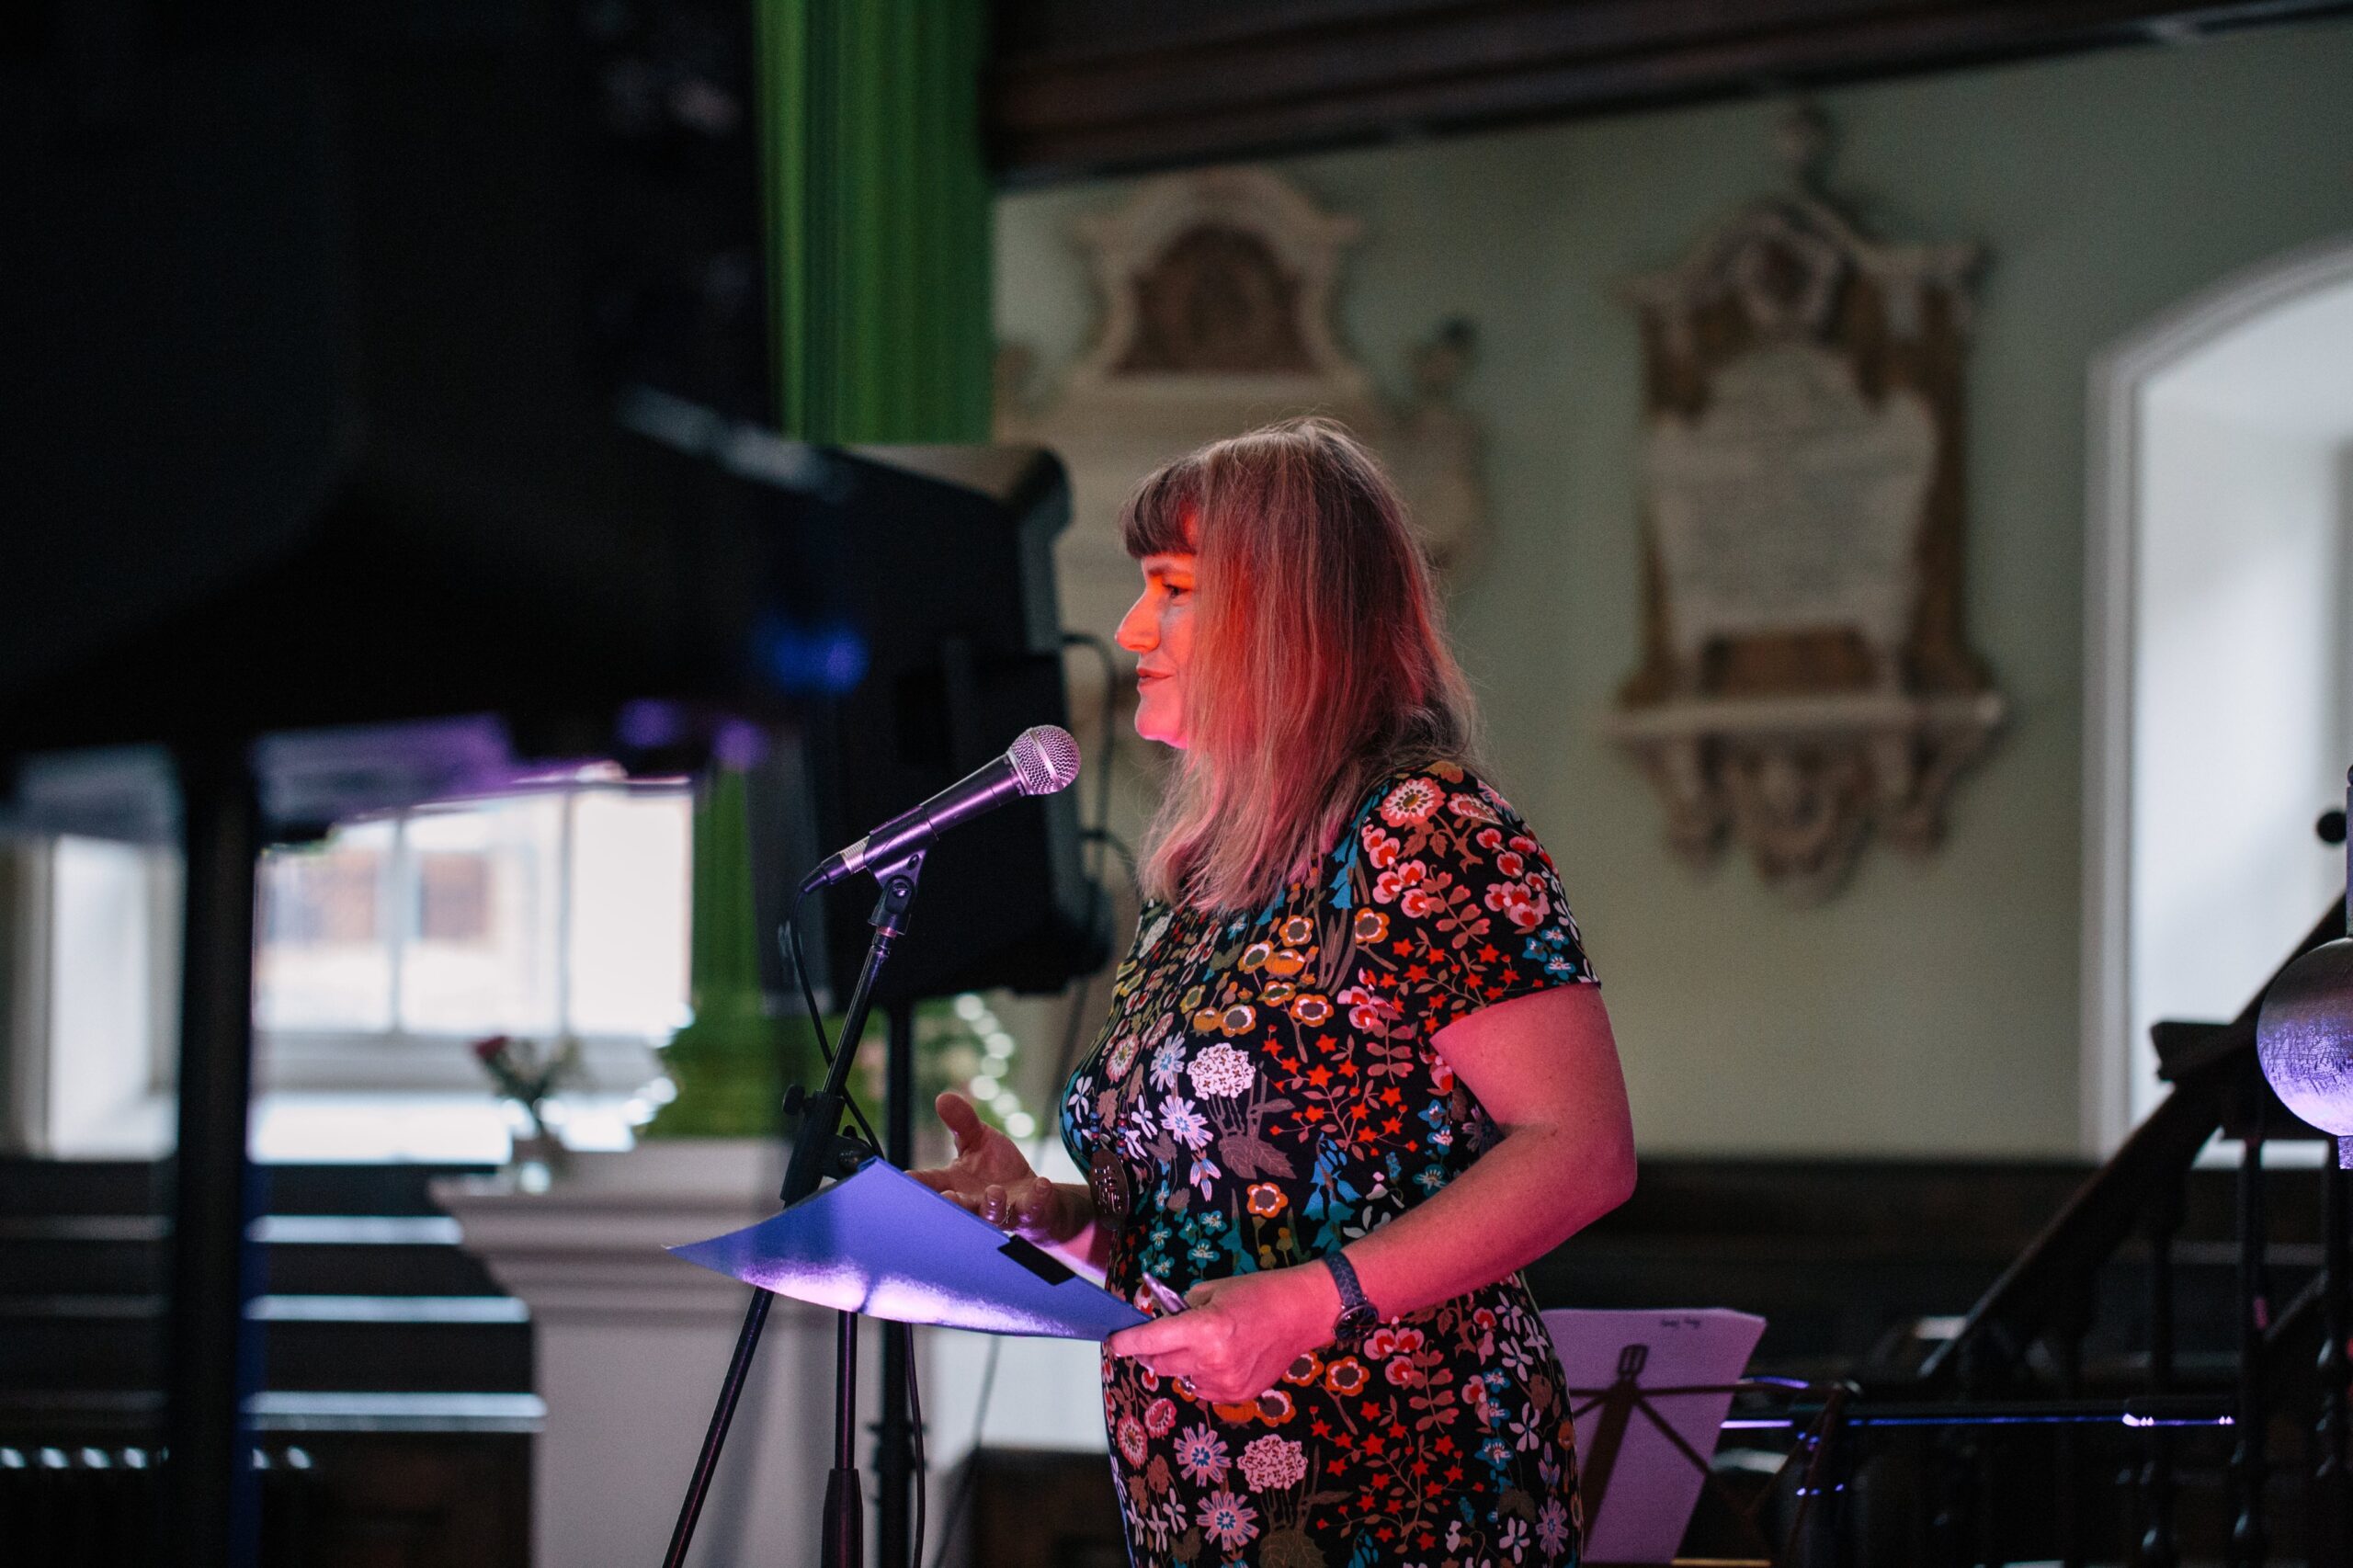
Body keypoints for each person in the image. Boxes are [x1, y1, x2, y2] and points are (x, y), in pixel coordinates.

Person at [912, 418, 1635, 1568]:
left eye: (1173, 590)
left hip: (1403, 1487)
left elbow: (1581, 1148)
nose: (1131, 629)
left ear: (1286, 607)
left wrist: (1310, 1305)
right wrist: (1060, 1214)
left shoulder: (1426, 830)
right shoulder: (1201, 882)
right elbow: (1224, 1211)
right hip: (1197, 1495)